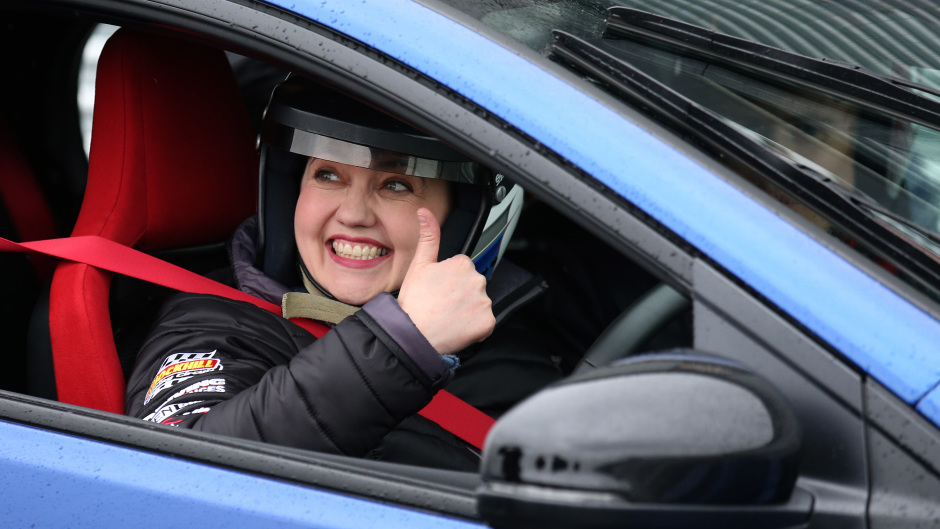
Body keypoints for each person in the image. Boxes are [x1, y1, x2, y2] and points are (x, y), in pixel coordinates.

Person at [124, 76, 562, 470]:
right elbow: (181, 468)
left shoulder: (515, 341)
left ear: (463, 220)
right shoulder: (218, 321)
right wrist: (405, 345)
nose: (352, 214)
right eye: (328, 175)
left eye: (396, 185)